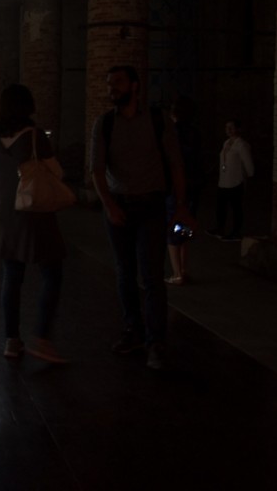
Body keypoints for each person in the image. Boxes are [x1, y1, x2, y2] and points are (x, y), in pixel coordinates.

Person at [90, 65, 193, 370]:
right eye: (109, 84)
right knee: (124, 272)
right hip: (119, 205)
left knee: (151, 276)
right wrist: (109, 204)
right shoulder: (105, 123)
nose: (112, 89)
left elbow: (175, 164)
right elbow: (96, 170)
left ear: (135, 86)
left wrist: (182, 205)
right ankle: (132, 330)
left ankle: (155, 341)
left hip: (151, 205)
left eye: (118, 83)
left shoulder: (158, 120)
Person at [0, 84, 68, 363]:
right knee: (52, 271)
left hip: (1, 213)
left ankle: (12, 340)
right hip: (32, 212)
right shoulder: (35, 137)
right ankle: (42, 337)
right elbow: (57, 171)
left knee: (11, 276)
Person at [165, 94, 203, 285]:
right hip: (193, 188)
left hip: (175, 188)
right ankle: (184, 269)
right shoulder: (195, 133)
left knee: (173, 229)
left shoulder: (173, 133)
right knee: (185, 228)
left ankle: (177, 272)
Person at [210, 119, 254, 242]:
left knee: (236, 208)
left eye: (231, 127)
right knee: (220, 207)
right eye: (226, 127)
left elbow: (248, 165)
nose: (228, 130)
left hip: (235, 182)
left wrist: (247, 175)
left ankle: (236, 232)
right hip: (223, 181)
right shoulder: (226, 143)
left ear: (238, 129)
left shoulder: (242, 145)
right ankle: (220, 228)